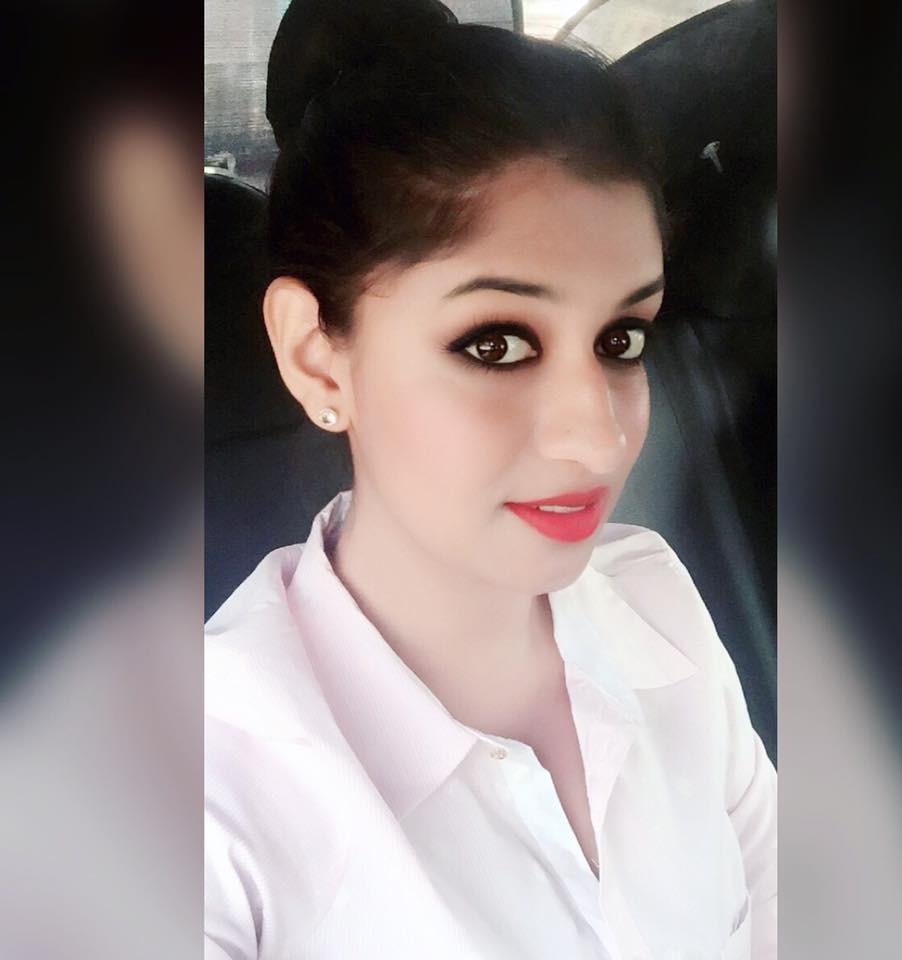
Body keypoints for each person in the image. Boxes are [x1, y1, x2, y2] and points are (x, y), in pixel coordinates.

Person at [204, 2, 777, 958]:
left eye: (621, 339)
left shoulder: (654, 600)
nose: (600, 439)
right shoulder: (198, 788)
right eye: (496, 344)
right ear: (316, 358)